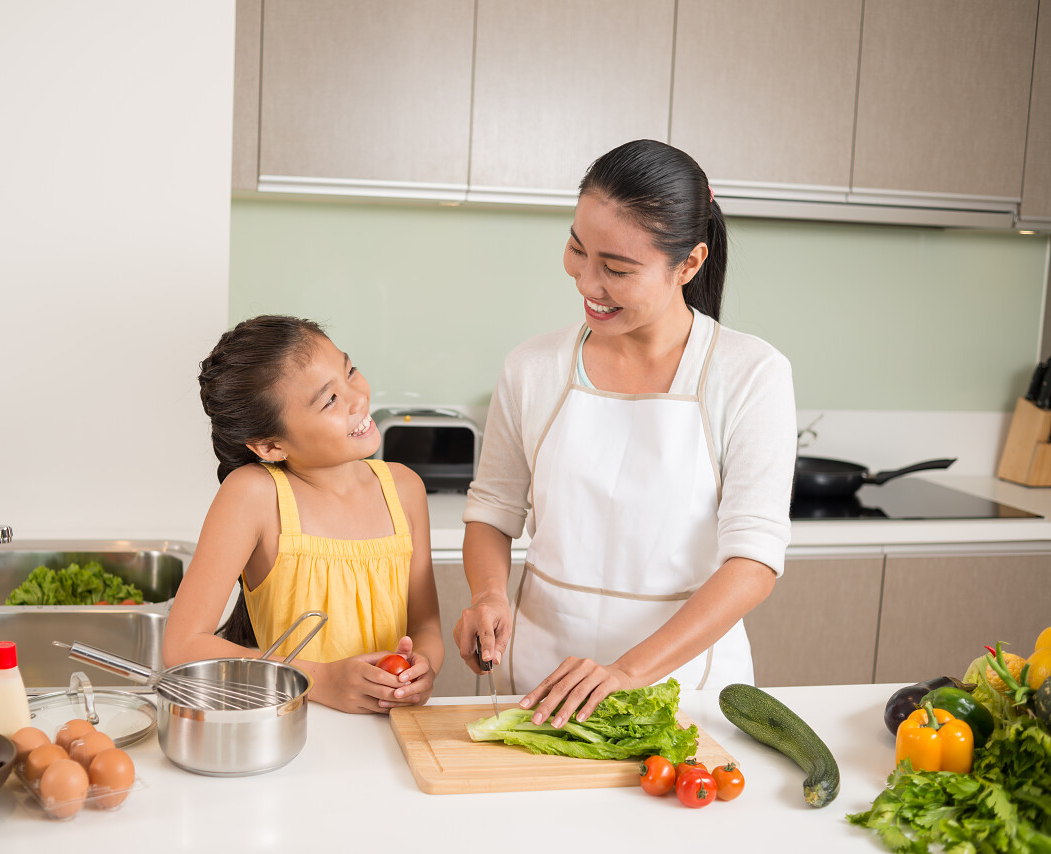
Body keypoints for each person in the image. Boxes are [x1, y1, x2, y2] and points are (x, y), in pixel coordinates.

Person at [454, 139, 796, 729]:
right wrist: (488, 593)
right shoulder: (533, 367)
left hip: (684, 690)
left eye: (616, 268)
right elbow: (492, 510)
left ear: (688, 264)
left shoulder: (750, 374)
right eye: (576, 249)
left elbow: (753, 562)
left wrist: (628, 672)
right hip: (543, 684)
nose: (587, 282)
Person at [163, 315, 443, 714]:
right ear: (270, 446)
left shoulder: (405, 489)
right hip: (290, 736)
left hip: (391, 736)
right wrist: (320, 679)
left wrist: (423, 668)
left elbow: (426, 627)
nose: (358, 398)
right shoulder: (253, 495)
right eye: (329, 399)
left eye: (349, 370)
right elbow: (182, 646)